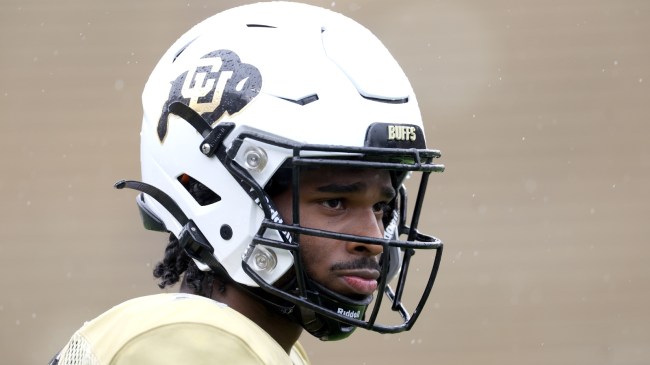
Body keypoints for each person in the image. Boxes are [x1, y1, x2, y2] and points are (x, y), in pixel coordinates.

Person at [50, 1, 445, 364]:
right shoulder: (190, 346)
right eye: (336, 202)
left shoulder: (254, 345)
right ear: (213, 191)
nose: (375, 239)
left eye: (381, 207)